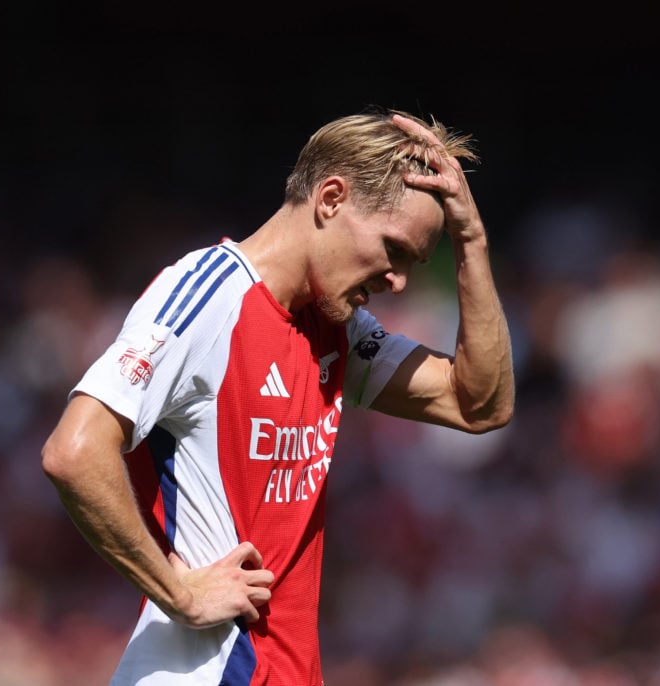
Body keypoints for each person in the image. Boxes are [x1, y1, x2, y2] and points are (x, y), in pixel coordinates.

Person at [41, 107, 515, 685]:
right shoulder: (210, 297)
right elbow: (74, 450)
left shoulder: (333, 325)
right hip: (210, 670)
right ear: (331, 198)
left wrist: (472, 242)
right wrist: (179, 593)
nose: (398, 282)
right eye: (393, 250)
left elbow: (480, 404)